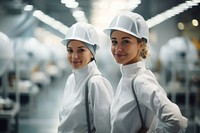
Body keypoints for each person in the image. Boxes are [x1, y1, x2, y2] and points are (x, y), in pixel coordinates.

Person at [103, 11, 188, 133]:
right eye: (114, 41)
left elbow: (177, 121)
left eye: (126, 41)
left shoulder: (141, 81)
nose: (118, 48)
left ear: (141, 45)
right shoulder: (127, 76)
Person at [58, 22, 113, 133]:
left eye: (81, 50)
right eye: (70, 50)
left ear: (92, 53)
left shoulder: (96, 83)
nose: (74, 56)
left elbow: (104, 129)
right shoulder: (71, 79)